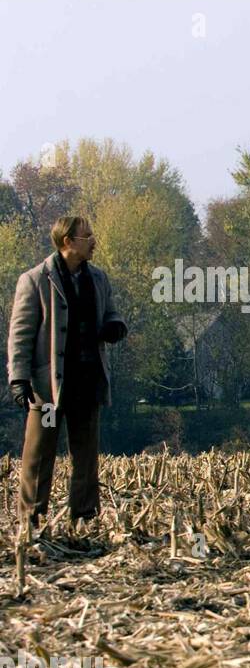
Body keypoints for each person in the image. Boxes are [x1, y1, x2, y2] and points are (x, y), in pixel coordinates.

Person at [7, 216, 128, 534]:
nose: (93, 240)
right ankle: (30, 521)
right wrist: (19, 378)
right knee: (39, 453)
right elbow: (20, 336)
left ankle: (85, 519)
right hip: (48, 389)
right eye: (87, 236)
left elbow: (112, 312)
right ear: (68, 242)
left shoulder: (99, 279)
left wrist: (115, 325)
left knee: (86, 455)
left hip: (87, 383)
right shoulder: (34, 281)